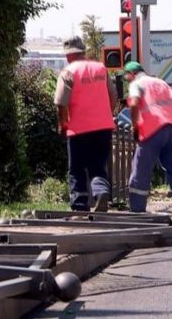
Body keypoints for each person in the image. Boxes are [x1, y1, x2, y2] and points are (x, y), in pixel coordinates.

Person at [54, 36, 117, 212]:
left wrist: (63, 124)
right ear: (83, 51)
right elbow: (113, 95)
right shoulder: (101, 69)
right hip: (103, 127)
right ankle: (101, 192)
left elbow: (60, 102)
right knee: (98, 166)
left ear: (68, 55)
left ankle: (80, 205)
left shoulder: (67, 72)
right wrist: (108, 115)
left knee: (77, 168)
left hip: (78, 129)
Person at [123, 61, 172, 214]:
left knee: (141, 169)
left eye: (127, 77)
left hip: (152, 129)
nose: (127, 80)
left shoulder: (137, 84)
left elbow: (134, 104)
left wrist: (135, 126)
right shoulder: (161, 82)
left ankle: (137, 208)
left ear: (131, 74)